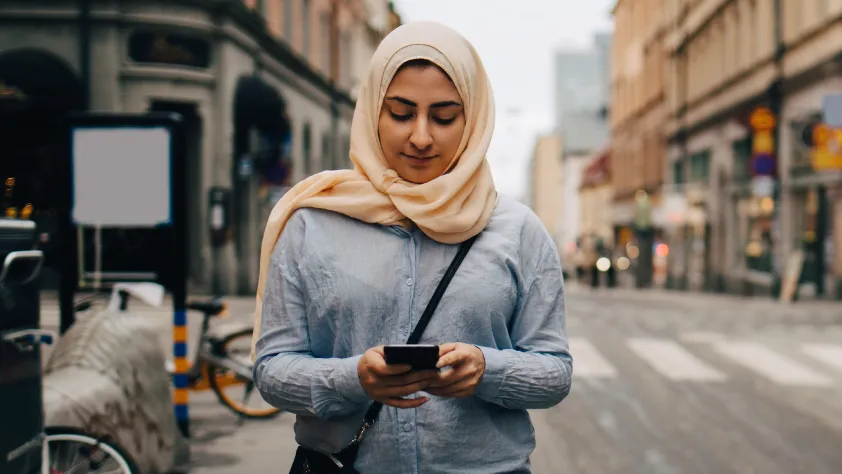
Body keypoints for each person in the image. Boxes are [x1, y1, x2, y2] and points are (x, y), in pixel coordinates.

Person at [251, 21, 573, 474]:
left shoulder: (518, 232)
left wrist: (486, 370)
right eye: (401, 113)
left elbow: (555, 373)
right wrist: (354, 379)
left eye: (444, 117)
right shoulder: (312, 223)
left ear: (473, 120)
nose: (421, 137)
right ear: (371, 112)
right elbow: (271, 371)